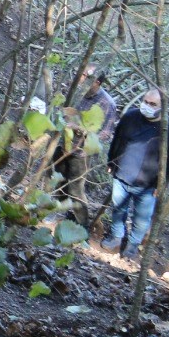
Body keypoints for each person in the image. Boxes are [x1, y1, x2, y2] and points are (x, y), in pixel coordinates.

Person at [101, 87, 169, 256]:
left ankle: (133, 244)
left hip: (148, 183)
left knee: (142, 218)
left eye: (153, 104)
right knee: (118, 209)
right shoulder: (130, 117)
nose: (147, 106)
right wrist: (111, 162)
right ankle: (116, 237)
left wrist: (162, 185)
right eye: (145, 102)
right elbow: (117, 139)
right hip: (122, 174)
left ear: (163, 107)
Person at [56, 66, 119, 224]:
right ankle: (58, 213)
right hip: (63, 145)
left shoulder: (106, 103)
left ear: (97, 82)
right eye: (81, 74)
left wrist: (80, 130)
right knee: (58, 181)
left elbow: (105, 134)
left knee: (75, 189)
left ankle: (82, 224)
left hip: (81, 153)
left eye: (85, 76)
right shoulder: (77, 92)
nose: (80, 78)